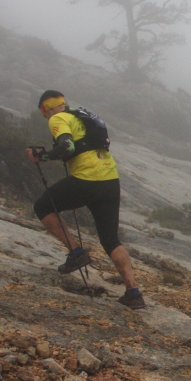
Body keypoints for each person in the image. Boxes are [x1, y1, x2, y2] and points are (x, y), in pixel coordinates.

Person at [26, 90, 145, 310]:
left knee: (42, 206)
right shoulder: (83, 115)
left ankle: (76, 253)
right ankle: (133, 292)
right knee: (110, 239)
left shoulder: (58, 117)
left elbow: (67, 147)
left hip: (86, 178)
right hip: (110, 180)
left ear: (47, 108)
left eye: (44, 112)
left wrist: (41, 157)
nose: (46, 117)